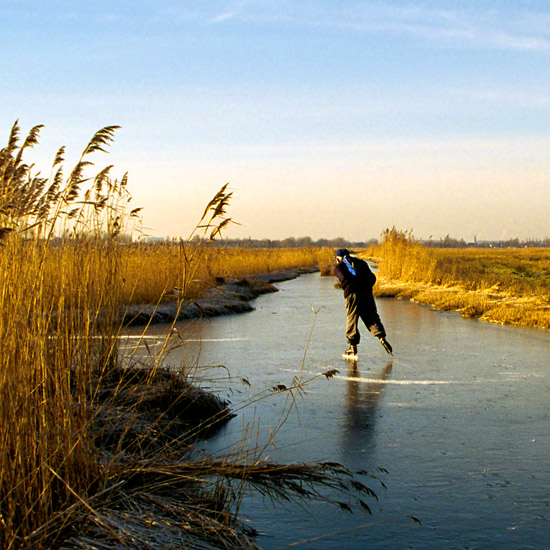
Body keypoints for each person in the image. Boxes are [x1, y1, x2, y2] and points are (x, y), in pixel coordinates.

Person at [333, 248, 393, 359]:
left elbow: (343, 279)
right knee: (371, 317)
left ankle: (352, 347)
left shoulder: (339, 266)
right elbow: (372, 277)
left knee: (352, 319)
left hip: (353, 294)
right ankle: (381, 338)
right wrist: (365, 286)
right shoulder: (361, 262)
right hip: (367, 294)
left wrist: (348, 287)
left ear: (337, 258)